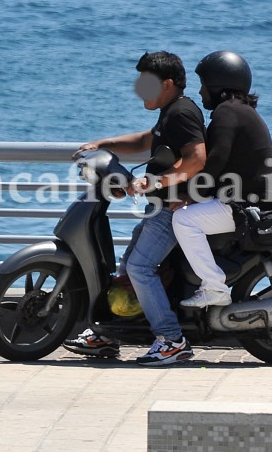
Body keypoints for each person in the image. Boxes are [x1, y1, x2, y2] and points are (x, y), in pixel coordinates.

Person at [63, 51, 207, 366]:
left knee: (140, 269)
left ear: (167, 84)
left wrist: (154, 183)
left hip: (172, 211)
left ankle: (172, 340)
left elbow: (196, 157)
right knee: (128, 269)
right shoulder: (170, 111)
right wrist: (103, 144)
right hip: (160, 208)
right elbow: (146, 140)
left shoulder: (182, 113)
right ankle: (112, 332)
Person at [173, 50, 272, 307]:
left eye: (203, 85)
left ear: (217, 85)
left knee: (184, 220)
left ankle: (214, 288)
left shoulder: (227, 113)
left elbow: (215, 162)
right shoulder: (240, 111)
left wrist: (188, 196)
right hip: (254, 202)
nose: (200, 93)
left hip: (248, 207)